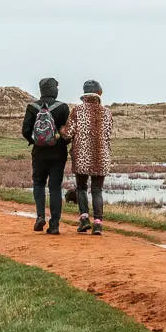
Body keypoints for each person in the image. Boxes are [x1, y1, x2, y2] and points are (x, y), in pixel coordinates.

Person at [62, 80, 113, 236]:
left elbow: (68, 134)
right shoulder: (107, 112)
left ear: (84, 94)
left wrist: (61, 129)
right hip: (101, 156)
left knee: (82, 188)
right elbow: (108, 133)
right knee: (97, 190)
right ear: (99, 93)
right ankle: (98, 224)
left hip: (81, 156)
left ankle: (84, 220)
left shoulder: (77, 110)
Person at [22, 78, 70, 234]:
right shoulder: (62, 107)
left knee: (38, 184)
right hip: (58, 153)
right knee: (55, 187)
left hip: (39, 153)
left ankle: (40, 216)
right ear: (54, 90)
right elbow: (67, 132)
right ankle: (54, 224)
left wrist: (34, 141)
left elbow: (25, 130)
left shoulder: (32, 107)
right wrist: (61, 141)